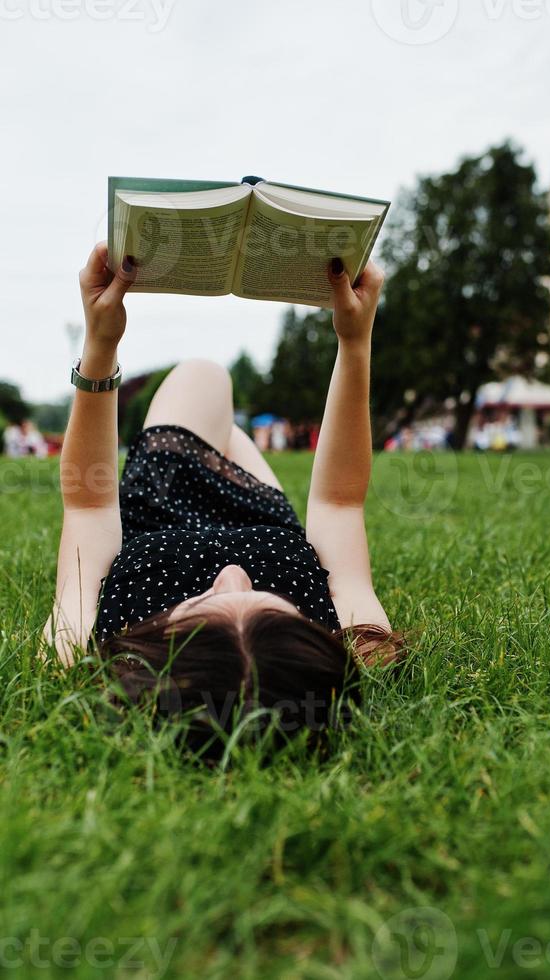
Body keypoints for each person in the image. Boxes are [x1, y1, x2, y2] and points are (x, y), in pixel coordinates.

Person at [44, 244, 401, 761]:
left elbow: (88, 507)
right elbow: (340, 502)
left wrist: (100, 341)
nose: (233, 573)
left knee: (204, 375)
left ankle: (213, 435)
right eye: (272, 607)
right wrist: (354, 339)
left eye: (203, 604)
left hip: (168, 493)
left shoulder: (86, 645)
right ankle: (221, 437)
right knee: (223, 423)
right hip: (259, 512)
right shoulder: (360, 644)